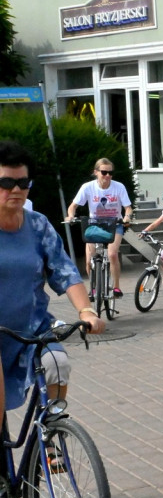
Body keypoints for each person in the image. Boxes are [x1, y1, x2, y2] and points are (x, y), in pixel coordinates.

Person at [1, 140, 105, 421]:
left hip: (32, 328)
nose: (16, 190)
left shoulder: (37, 225)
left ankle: (51, 433)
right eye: (6, 182)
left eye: (23, 183)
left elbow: (65, 271)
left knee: (58, 363)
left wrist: (86, 310)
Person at [67, 158, 134, 298]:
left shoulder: (119, 187)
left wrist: (127, 217)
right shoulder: (88, 187)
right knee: (89, 258)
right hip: (94, 225)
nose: (108, 176)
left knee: (112, 254)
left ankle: (116, 287)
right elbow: (73, 206)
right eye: (104, 173)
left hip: (114, 224)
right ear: (96, 172)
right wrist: (71, 216)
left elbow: (128, 208)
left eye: (110, 173)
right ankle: (93, 288)